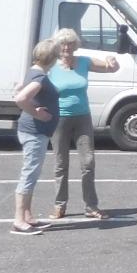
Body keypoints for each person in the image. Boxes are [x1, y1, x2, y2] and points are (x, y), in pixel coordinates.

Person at [47, 29, 118, 221]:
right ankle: (59, 206)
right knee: (61, 164)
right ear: (57, 46)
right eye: (63, 44)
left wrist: (112, 60)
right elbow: (37, 83)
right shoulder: (51, 65)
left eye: (70, 43)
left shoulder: (84, 62)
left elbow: (110, 67)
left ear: (75, 45)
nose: (66, 47)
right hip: (59, 118)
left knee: (88, 163)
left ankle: (91, 206)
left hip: (82, 117)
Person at [11, 39, 60, 236]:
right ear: (53, 58)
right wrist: (37, 113)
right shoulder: (40, 76)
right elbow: (20, 98)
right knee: (29, 174)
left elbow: (19, 90)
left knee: (32, 173)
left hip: (35, 131)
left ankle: (28, 216)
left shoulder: (34, 71)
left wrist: (33, 106)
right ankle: (18, 220)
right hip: (34, 131)